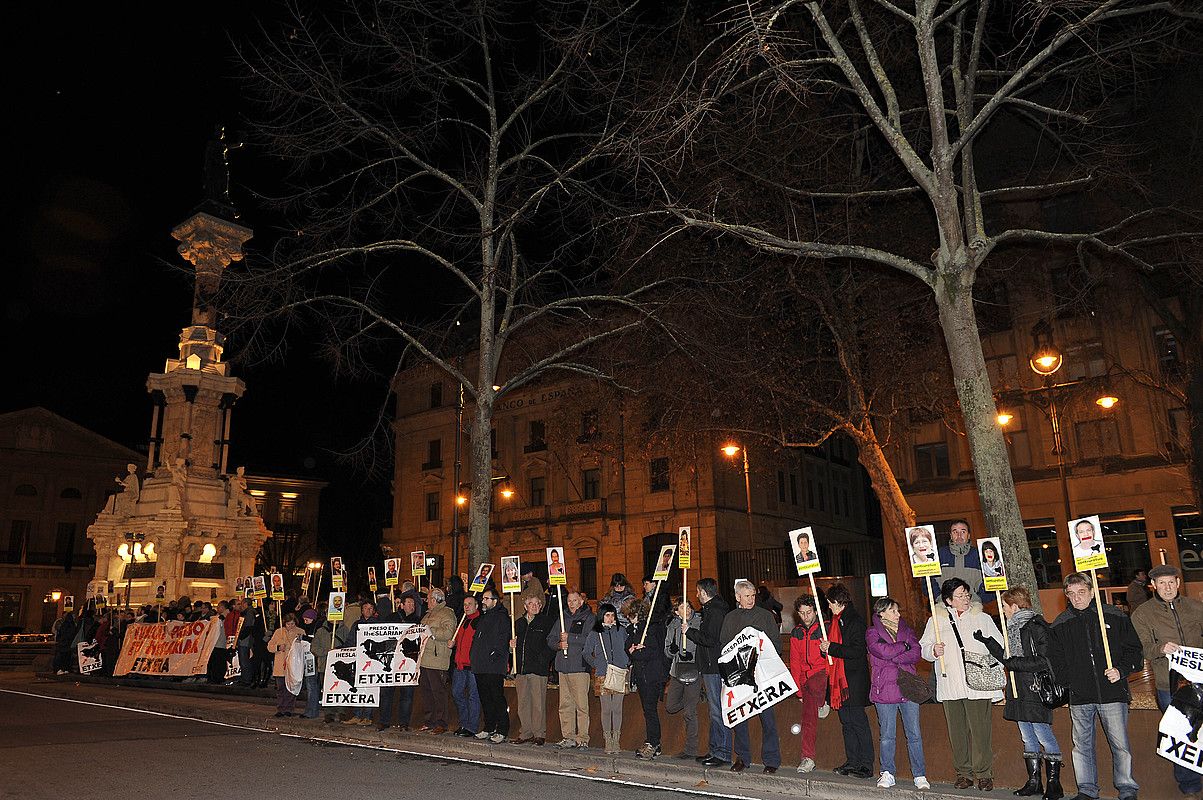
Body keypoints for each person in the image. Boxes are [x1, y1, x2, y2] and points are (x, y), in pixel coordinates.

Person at [1048, 573, 1143, 800]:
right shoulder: (1061, 623)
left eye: (1081, 592)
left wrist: (1121, 670)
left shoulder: (1113, 615)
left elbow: (1134, 650)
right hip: (1080, 695)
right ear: (1067, 597)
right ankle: (1087, 789)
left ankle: (1127, 788)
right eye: (1071, 594)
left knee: (1120, 745)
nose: (1077, 598)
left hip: (1112, 691)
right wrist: (1070, 682)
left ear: (1092, 592)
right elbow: (1055, 661)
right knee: (1081, 746)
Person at [974, 586, 1064, 799]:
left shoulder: (1036, 626)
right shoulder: (1012, 627)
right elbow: (1008, 658)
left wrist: (1016, 663)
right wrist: (988, 642)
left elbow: (1044, 660)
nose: (1003, 610)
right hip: (1019, 689)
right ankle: (1034, 782)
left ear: (1014, 606)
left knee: (1043, 735)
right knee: (1027, 737)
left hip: (1035, 689)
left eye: (1004, 606)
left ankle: (1054, 784)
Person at [920, 577, 1004, 791]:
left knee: (980, 730)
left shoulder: (982, 618)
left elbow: (1000, 646)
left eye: (966, 594)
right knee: (956, 732)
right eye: (960, 595)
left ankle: (984, 774)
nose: (965, 598)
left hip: (977, 683)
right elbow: (924, 648)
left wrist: (986, 644)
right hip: (950, 683)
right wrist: (932, 651)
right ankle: (963, 773)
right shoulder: (935, 621)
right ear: (948, 600)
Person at [1131, 564, 1203, 800]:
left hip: (1201, 679)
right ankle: (1190, 787)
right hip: (1169, 686)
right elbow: (1142, 649)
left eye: (1171, 582)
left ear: (1178, 583)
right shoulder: (1143, 614)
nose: (1167, 587)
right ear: (1153, 586)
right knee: (1181, 735)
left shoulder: (1195, 608)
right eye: (1161, 583)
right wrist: (1160, 648)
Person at [720, 579, 782, 774]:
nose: (751, 599)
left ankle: (771, 760)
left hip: (762, 674)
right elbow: (724, 647)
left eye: (753, 595)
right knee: (739, 719)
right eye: (746, 596)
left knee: (768, 719)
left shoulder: (766, 616)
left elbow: (776, 646)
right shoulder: (730, 618)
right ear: (738, 597)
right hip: (739, 676)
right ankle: (742, 757)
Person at [866, 597, 928, 790]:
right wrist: (903, 646)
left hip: (908, 688)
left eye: (898, 610)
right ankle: (887, 772)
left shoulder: (907, 630)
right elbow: (881, 651)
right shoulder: (872, 632)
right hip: (884, 690)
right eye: (893, 611)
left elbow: (916, 653)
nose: (898, 614)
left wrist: (896, 651)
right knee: (887, 735)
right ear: (881, 612)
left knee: (915, 734)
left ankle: (919, 775)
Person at [822, 584, 873, 780]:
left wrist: (832, 647)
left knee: (858, 723)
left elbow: (857, 651)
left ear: (838, 602)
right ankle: (852, 761)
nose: (828, 606)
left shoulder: (854, 621)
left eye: (830, 603)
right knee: (847, 723)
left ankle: (866, 765)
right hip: (840, 682)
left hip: (853, 681)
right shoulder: (837, 621)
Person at [688, 577, 732, 767]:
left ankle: (722, 753)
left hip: (714, 667)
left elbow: (711, 639)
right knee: (714, 710)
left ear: (704, 592)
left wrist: (689, 632)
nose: (696, 595)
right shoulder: (711, 610)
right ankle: (715, 749)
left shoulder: (715, 611)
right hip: (709, 666)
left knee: (717, 710)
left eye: (698, 592)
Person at [546, 590, 595, 748]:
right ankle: (568, 736)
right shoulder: (562, 617)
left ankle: (582, 738)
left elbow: (590, 639)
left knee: (581, 705)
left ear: (581, 601)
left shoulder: (589, 617)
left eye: (574, 600)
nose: (571, 603)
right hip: (563, 667)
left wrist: (571, 638)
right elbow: (550, 639)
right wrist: (559, 645)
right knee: (565, 704)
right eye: (569, 600)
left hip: (579, 667)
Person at [583, 602, 630, 754]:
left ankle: (616, 739)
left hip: (619, 672)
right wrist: (596, 664)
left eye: (612, 615)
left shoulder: (621, 631)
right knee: (606, 709)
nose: (610, 618)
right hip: (603, 674)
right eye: (607, 615)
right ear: (601, 616)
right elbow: (586, 652)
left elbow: (627, 647)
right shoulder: (595, 633)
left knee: (617, 708)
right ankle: (607, 740)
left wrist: (626, 662)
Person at [789, 594, 827, 774]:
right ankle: (808, 757)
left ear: (815, 611)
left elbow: (832, 659)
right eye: (802, 613)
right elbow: (794, 662)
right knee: (807, 718)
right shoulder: (796, 633)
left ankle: (822, 702)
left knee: (814, 685)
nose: (805, 616)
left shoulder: (825, 629)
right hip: (806, 680)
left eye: (809, 612)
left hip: (822, 673)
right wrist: (797, 690)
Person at [629, 597, 670, 760]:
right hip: (642, 675)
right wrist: (633, 649)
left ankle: (654, 742)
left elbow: (654, 652)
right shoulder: (636, 629)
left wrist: (637, 652)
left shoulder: (651, 629)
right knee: (648, 710)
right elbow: (629, 645)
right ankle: (653, 742)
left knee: (650, 710)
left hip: (652, 675)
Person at [511, 593, 554, 744]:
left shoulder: (546, 622)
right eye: (531, 604)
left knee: (538, 703)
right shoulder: (518, 623)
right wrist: (511, 647)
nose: (535, 606)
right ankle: (525, 732)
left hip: (538, 668)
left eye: (537, 604)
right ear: (525, 606)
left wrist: (543, 660)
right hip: (521, 668)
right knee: (523, 703)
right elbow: (512, 645)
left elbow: (551, 645)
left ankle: (539, 733)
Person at [470, 588, 512, 743]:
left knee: (496, 697)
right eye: (483, 599)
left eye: (486, 599)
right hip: (481, 664)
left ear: (495, 601)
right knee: (485, 698)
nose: (483, 602)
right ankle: (489, 727)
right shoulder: (484, 617)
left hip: (493, 666)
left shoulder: (501, 617)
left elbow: (502, 639)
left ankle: (502, 729)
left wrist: (494, 655)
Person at [665, 598, 703, 760]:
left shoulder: (699, 621)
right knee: (671, 706)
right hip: (677, 671)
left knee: (690, 713)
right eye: (682, 607)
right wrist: (673, 651)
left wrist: (691, 654)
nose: (686, 610)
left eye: (688, 606)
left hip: (694, 670)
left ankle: (690, 749)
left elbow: (703, 643)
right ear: (676, 612)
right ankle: (696, 698)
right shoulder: (673, 626)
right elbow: (667, 649)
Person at [414, 588, 456, 734]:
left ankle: (441, 723)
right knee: (426, 692)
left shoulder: (447, 613)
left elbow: (448, 633)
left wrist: (430, 631)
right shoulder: (427, 615)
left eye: (428, 598)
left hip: (438, 659)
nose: (426, 601)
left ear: (434, 599)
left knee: (439, 692)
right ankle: (430, 720)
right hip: (425, 658)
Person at [925, 520, 988, 605]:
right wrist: (939, 598)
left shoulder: (980, 555)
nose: (959, 535)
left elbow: (991, 581)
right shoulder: (939, 555)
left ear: (968, 535)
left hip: (972, 609)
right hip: (944, 608)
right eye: (955, 532)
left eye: (963, 531)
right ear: (950, 535)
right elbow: (927, 581)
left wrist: (978, 599)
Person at [450, 595, 482, 736]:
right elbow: (458, 640)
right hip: (460, 665)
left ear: (476, 606)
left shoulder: (479, 621)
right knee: (457, 693)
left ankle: (471, 727)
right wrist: (453, 643)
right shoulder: (463, 621)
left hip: (473, 665)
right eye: (465, 604)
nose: (467, 606)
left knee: (473, 697)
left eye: (470, 604)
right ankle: (464, 723)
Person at [267, 612, 305, 717]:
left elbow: (304, 647)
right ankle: (280, 708)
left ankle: (289, 709)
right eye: (288, 624)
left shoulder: (300, 632)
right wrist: (278, 647)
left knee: (291, 688)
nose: (290, 626)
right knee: (280, 688)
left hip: (293, 665)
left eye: (292, 624)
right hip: (280, 664)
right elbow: (270, 646)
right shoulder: (278, 632)